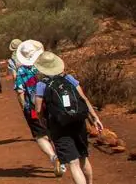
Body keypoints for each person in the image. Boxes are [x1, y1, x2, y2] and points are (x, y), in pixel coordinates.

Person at [34, 51, 103, 184]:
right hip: (78, 122)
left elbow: (38, 109)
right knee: (83, 157)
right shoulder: (69, 79)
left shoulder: (42, 84)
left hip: (58, 126)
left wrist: (43, 121)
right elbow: (83, 99)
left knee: (73, 163)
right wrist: (94, 118)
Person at [14, 40, 65, 177]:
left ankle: (53, 157)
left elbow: (20, 91)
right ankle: (62, 154)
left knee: (40, 135)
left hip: (33, 107)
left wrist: (24, 107)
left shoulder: (22, 71)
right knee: (54, 131)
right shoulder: (45, 64)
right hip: (52, 104)